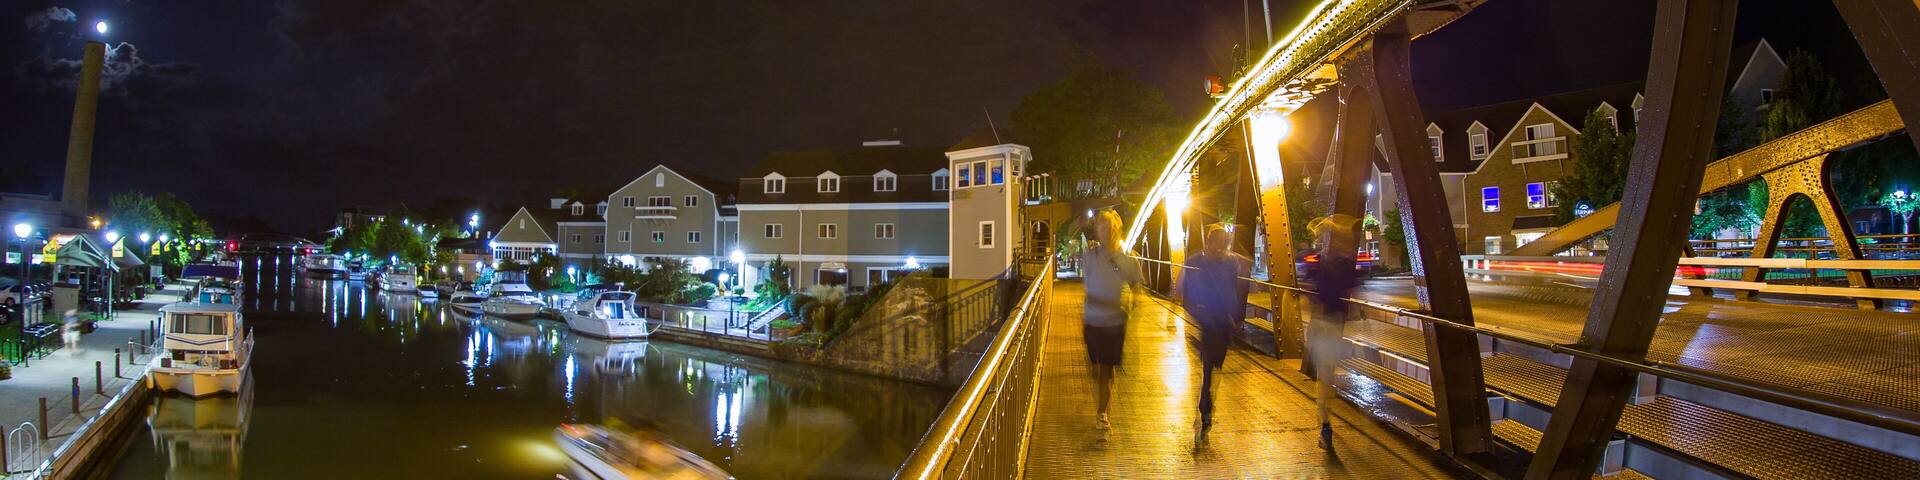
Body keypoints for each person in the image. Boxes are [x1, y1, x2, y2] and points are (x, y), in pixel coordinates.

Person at [1175, 225, 1251, 429]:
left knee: (1217, 362)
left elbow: (1241, 280)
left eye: (1224, 243)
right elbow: (1181, 284)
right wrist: (1188, 302)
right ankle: (1206, 397)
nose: (1220, 248)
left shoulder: (1230, 262)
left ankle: (1207, 391)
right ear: (1208, 242)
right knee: (1209, 361)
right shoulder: (1195, 261)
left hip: (1224, 319)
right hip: (1206, 317)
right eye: (1217, 243)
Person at [1079, 210, 1143, 435]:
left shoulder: (1127, 259)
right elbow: (1087, 283)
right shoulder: (1090, 255)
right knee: (1096, 369)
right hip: (1092, 320)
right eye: (1101, 226)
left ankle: (1102, 413)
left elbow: (1136, 284)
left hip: (1114, 323)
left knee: (1105, 369)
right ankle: (1102, 400)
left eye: (1109, 226)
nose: (1105, 229)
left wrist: (1129, 304)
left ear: (1116, 228)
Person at [1307, 214, 1363, 449]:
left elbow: (1312, 295)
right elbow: (1354, 299)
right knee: (1327, 374)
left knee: (1323, 376)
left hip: (1320, 324)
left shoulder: (1317, 262)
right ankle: (1325, 422)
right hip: (1335, 324)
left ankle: (1325, 424)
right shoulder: (1346, 265)